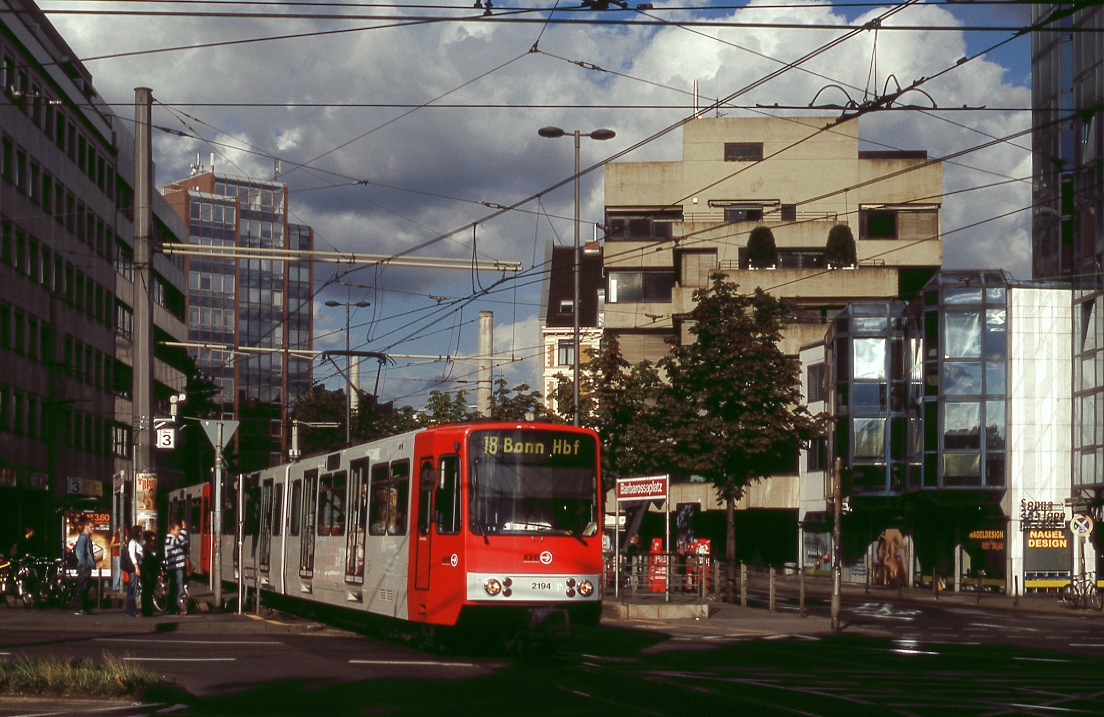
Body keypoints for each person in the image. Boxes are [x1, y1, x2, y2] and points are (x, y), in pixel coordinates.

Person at [70, 519, 95, 615]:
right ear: (85, 526)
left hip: (86, 567)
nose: (93, 529)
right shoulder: (83, 538)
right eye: (91, 527)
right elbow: (79, 553)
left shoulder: (86, 538)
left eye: (93, 527)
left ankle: (83, 608)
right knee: (82, 587)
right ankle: (79, 608)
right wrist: (85, 564)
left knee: (85, 587)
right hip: (84, 567)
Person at [163, 522, 188, 615]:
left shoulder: (173, 539)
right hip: (175, 568)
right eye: (178, 530)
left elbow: (183, 542)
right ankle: (178, 607)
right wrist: (184, 530)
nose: (179, 531)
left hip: (177, 567)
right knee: (178, 588)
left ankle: (173, 608)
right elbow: (178, 542)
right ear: (172, 530)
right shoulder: (169, 539)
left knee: (174, 588)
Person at [139, 530, 159, 617]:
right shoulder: (145, 547)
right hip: (147, 571)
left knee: (150, 591)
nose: (154, 538)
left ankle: (149, 609)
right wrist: (146, 572)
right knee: (146, 591)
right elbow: (145, 561)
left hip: (153, 571)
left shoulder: (152, 546)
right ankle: (145, 610)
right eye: (152, 536)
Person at [125, 525, 142, 618]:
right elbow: (132, 555)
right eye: (140, 531)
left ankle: (133, 609)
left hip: (138, 567)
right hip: (134, 568)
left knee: (134, 589)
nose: (141, 533)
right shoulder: (132, 542)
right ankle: (130, 610)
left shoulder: (136, 541)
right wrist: (136, 567)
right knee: (132, 589)